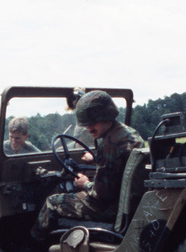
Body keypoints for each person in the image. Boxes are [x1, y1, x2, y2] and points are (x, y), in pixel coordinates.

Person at [31, 90, 145, 240]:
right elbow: (119, 164)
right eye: (86, 124)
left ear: (106, 116)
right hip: (127, 204)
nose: (89, 128)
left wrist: (85, 184)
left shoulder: (109, 145)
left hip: (109, 207)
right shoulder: (128, 133)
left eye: (93, 122)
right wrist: (96, 159)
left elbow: (100, 195)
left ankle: (33, 246)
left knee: (52, 203)